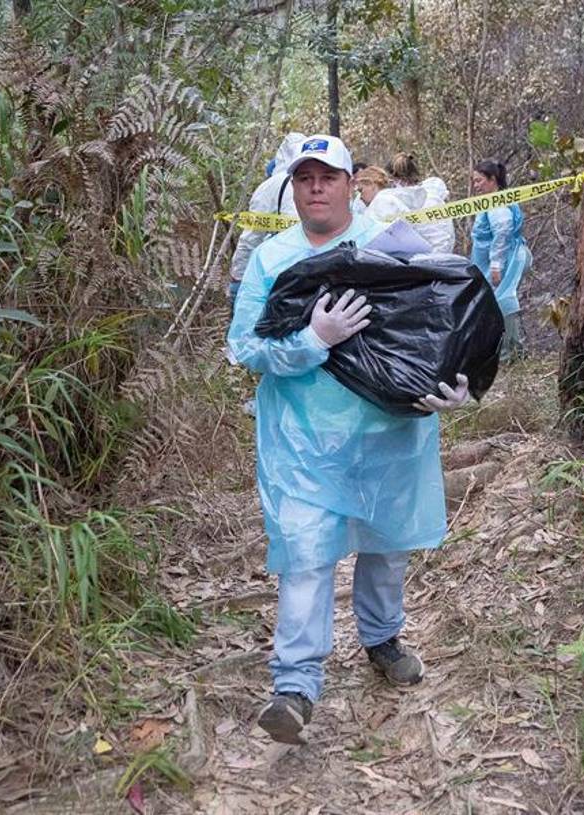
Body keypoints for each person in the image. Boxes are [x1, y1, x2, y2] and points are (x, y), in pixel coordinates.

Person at [227, 134, 471, 745]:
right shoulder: (273, 258)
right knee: (306, 559)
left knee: (387, 547)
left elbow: (435, 325)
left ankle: (382, 639)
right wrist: (314, 339)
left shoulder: (389, 244)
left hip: (389, 437)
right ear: (293, 186)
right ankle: (295, 685)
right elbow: (245, 347)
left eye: (328, 177)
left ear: (347, 182)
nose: (316, 188)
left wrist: (458, 381)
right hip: (303, 444)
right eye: (305, 178)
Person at [228, 132, 306, 306]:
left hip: (274, 273)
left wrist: (238, 277)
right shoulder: (322, 184)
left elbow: (252, 236)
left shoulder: (271, 186)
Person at [470, 159, 531, 359]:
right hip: (496, 261)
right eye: (474, 181)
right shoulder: (490, 202)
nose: (476, 186)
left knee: (503, 299)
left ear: (492, 180)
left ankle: (511, 351)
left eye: (479, 181)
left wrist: (496, 265)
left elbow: (503, 231)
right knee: (495, 301)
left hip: (506, 259)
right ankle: (504, 348)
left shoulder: (497, 204)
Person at [387, 153, 454, 253]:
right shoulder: (403, 201)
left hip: (433, 264)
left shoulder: (429, 202)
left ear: (397, 180)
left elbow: (441, 242)